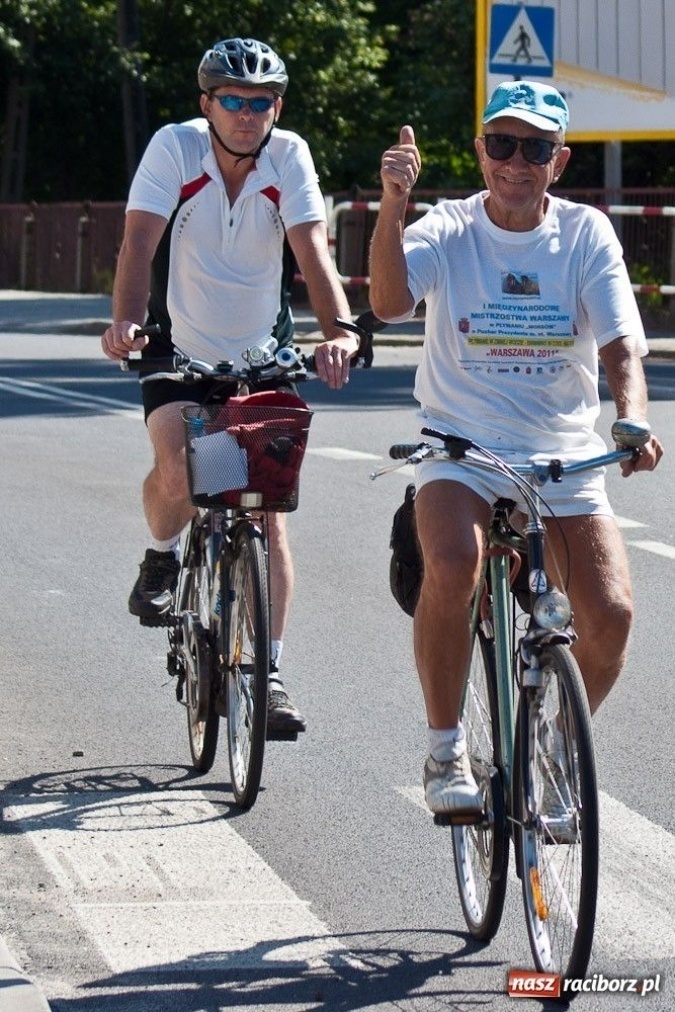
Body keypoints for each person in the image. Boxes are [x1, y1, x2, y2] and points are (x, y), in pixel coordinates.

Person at [369, 80, 664, 817]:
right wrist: (391, 207)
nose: (515, 161)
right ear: (480, 152)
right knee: (453, 564)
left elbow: (621, 347)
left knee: (611, 616)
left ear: (557, 162)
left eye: (533, 148)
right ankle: (443, 751)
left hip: (559, 453)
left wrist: (630, 419)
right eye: (501, 144)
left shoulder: (585, 233)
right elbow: (386, 302)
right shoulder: (448, 226)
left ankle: (553, 745)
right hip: (460, 449)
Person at [101, 37, 359, 735]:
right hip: (174, 344)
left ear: (277, 106)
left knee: (266, 510)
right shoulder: (173, 150)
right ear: (206, 104)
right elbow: (138, 246)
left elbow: (312, 250)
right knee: (181, 474)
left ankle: (267, 670)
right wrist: (125, 322)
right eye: (235, 101)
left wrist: (338, 331)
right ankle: (160, 557)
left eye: (263, 102)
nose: (249, 114)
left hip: (261, 350)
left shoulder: (287, 156)